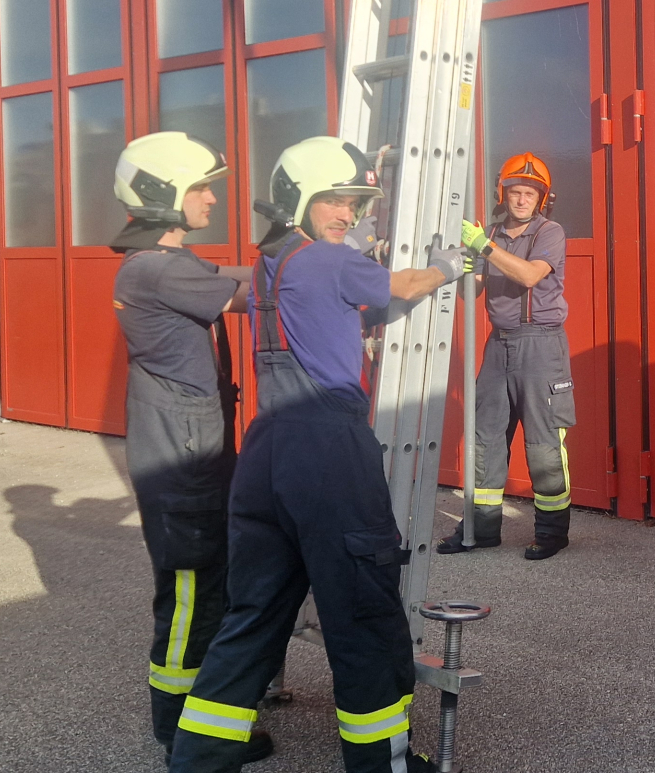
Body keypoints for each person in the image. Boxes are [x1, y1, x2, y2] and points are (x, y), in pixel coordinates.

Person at [168, 136, 464, 773]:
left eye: (355, 203)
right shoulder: (329, 261)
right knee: (364, 612)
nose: (348, 215)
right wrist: (448, 264)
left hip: (266, 453)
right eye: (335, 200)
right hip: (328, 450)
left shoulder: (272, 262)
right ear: (298, 199)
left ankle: (197, 759)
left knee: (253, 614)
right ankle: (380, 763)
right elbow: (405, 284)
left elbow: (334, 312)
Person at [109, 132, 270, 763]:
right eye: (200, 187)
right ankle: (178, 727)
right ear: (163, 193)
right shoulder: (156, 267)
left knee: (202, 588)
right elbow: (249, 291)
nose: (210, 198)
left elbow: (231, 274)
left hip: (186, 444)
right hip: (182, 457)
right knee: (188, 593)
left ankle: (199, 716)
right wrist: (329, 267)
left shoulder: (165, 263)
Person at [438, 152, 577, 561]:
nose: (521, 200)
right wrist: (463, 269)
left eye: (530, 194)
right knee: (485, 439)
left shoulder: (550, 233)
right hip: (499, 345)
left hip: (542, 346)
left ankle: (552, 534)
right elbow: (474, 292)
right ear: (504, 194)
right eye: (515, 192)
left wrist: (484, 247)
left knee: (543, 443)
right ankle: (482, 529)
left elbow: (531, 275)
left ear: (542, 199)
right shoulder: (493, 234)